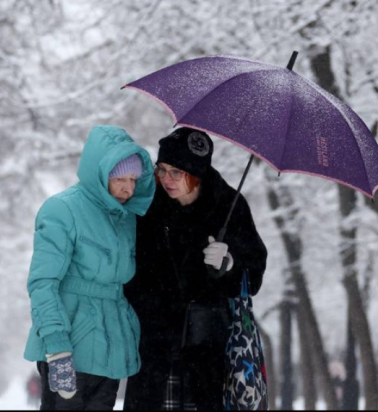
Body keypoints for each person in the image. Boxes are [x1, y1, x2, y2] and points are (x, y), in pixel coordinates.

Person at [124, 127, 268, 410]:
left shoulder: (230, 207)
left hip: (208, 352)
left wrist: (230, 264)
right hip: (155, 347)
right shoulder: (147, 206)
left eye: (176, 172)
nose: (166, 179)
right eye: (161, 169)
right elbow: (129, 269)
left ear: (197, 172)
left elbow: (253, 277)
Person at [23, 125, 156, 410]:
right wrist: (57, 347)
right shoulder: (62, 209)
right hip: (70, 346)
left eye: (133, 179)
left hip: (112, 349)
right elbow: (42, 283)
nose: (128, 188)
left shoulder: (128, 218)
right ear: (100, 172)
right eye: (120, 178)